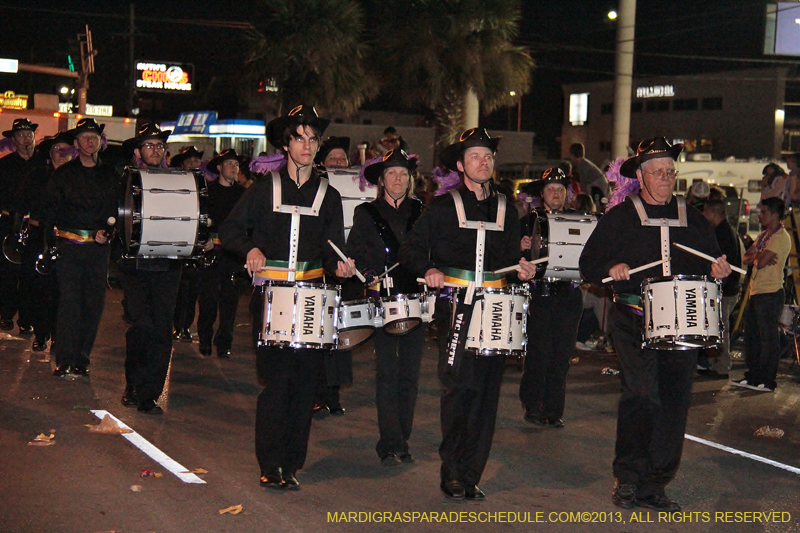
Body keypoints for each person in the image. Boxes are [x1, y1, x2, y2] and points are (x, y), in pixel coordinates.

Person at [579, 137, 731, 512]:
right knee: (642, 396)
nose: (665, 177)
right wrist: (609, 270)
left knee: (675, 405)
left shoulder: (692, 218)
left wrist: (719, 270)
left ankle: (655, 483)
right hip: (632, 321)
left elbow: (713, 266)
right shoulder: (620, 217)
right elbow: (588, 264)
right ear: (641, 177)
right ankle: (628, 478)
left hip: (682, 324)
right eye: (658, 172)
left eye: (670, 171)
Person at [220, 105, 356, 490]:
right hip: (271, 297)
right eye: (300, 137)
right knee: (278, 383)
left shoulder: (328, 195)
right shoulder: (264, 188)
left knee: (306, 385)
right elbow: (230, 230)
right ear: (286, 143)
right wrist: (249, 249)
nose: (308, 145)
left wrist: (340, 266)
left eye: (313, 138)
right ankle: (270, 462)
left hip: (313, 299)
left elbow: (333, 250)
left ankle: (292, 462)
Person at [400, 127, 536, 500]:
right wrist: (427, 269)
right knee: (460, 388)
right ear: (460, 165)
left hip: (497, 308)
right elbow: (411, 248)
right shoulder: (443, 208)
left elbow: (510, 258)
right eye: (476, 156)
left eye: (489, 156)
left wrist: (522, 267)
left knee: (488, 394)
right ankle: (453, 470)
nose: (484, 162)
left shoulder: (509, 209)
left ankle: (471, 473)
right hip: (457, 308)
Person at [347, 149, 425, 466]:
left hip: (416, 301)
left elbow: (433, 251)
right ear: (381, 180)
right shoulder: (365, 213)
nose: (398, 179)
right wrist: (367, 275)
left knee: (410, 374)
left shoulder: (422, 212)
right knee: (387, 373)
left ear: (410, 180)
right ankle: (391, 441)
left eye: (403, 174)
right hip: (382, 300)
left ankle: (400, 437)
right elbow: (355, 253)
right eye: (392, 174)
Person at [41, 119, 119, 377]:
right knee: (70, 304)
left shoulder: (110, 175)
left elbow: (117, 212)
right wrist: (49, 246)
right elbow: (49, 213)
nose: (89, 142)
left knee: (93, 304)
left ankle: (82, 358)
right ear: (76, 144)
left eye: (94, 137)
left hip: (97, 251)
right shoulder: (63, 174)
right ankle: (64, 358)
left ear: (100, 142)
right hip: (69, 249)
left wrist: (107, 232)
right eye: (84, 137)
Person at [119, 123, 181, 414]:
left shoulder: (179, 180)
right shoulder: (127, 180)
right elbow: (117, 214)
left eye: (159, 146)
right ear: (137, 152)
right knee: (140, 326)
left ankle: (150, 392)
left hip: (168, 264)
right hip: (136, 265)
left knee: (162, 329)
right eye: (148, 146)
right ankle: (134, 383)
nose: (155, 150)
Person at [518, 168, 584, 428]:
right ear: (542, 193)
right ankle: (533, 406)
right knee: (538, 354)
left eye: (560, 189)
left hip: (569, 296)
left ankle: (554, 410)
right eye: (550, 189)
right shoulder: (527, 221)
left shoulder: (578, 220)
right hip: (540, 296)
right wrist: (520, 247)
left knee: (561, 356)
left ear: (565, 193)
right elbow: (511, 260)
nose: (555, 193)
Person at [18, 132, 75, 351]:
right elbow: (22, 205)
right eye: (56, 150)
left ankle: (58, 335)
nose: (61, 154)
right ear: (50, 154)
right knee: (40, 289)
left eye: (65, 150)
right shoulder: (36, 176)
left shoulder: (75, 177)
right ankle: (41, 334)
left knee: (63, 291)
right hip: (39, 237)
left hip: (67, 239)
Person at [732, 197, 790, 393]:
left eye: (764, 212)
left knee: (768, 339)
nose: (760, 215)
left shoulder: (780, 237)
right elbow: (746, 257)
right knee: (752, 338)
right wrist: (759, 255)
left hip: (771, 292)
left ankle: (768, 379)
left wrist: (758, 256)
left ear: (774, 214)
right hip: (756, 291)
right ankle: (754, 375)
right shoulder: (765, 235)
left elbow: (760, 262)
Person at [196, 149, 245, 359]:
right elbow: (198, 218)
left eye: (236, 164)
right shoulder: (208, 192)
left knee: (230, 302)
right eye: (229, 164)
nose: (234, 168)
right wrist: (203, 239)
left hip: (233, 254)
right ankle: (205, 338)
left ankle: (224, 342)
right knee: (207, 300)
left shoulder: (243, 194)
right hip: (211, 252)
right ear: (219, 167)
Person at [0, 118, 44, 332]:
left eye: (29, 134)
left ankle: (27, 320)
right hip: (9, 223)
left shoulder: (44, 163)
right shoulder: (5, 165)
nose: (26, 139)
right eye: (20, 135)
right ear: (13, 140)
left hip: (36, 225)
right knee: (7, 273)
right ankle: (6, 314)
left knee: (31, 276)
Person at [701, 199, 742, 377]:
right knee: (719, 327)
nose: (703, 215)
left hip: (725, 290)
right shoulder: (727, 230)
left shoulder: (722, 233)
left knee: (720, 328)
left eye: (705, 211)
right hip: (729, 288)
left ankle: (721, 367)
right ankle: (715, 364)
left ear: (713, 213)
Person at [170, 146, 204, 342]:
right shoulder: (176, 183)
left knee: (193, 290)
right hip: (179, 242)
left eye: (196, 161)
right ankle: (177, 325)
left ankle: (186, 326)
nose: (193, 164)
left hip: (196, 244)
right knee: (180, 288)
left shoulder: (204, 186)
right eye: (189, 161)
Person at [569, 142, 608, 208]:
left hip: (599, 192)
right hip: (601, 191)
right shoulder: (585, 164)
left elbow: (583, 187)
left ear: (572, 156)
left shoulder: (583, 167)